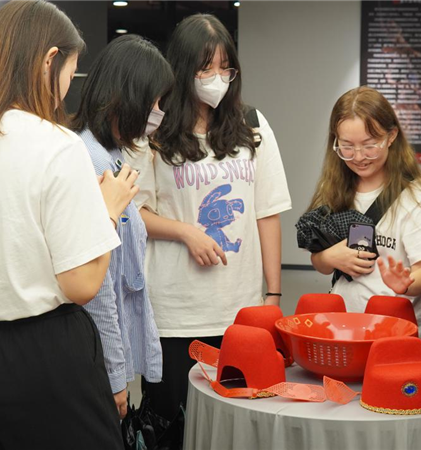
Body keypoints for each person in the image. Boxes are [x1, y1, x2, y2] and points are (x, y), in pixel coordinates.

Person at [0, 1, 138, 448]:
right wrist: (108, 211)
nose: (66, 90)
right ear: (48, 61)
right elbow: (82, 284)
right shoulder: (56, 146)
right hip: (43, 357)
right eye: (70, 73)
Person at [125, 13, 291, 435]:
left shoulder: (252, 126)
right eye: (206, 69)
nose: (217, 79)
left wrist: (272, 295)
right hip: (175, 312)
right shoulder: (154, 132)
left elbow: (267, 212)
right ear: (183, 70)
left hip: (241, 311)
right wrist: (185, 231)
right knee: (173, 426)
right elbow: (133, 211)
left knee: (240, 427)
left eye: (225, 68)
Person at [72, 34, 173, 419]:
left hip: (100, 352)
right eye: (154, 102)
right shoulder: (93, 164)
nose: (158, 112)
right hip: (94, 357)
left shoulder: (111, 157)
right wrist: (115, 377)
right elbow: (101, 286)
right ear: (128, 96)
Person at [306, 86, 421, 338]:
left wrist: (406, 283)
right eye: (347, 146)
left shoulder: (416, 197)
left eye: (369, 145)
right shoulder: (331, 190)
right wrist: (330, 257)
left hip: (396, 332)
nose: (359, 156)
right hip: (344, 328)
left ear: (391, 136)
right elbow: (320, 262)